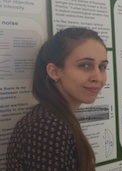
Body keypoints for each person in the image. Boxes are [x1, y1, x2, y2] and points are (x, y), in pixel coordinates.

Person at [6, 27, 109, 171]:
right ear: (54, 72)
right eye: (85, 65)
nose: (98, 77)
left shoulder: (57, 119)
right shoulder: (46, 127)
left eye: (102, 67)